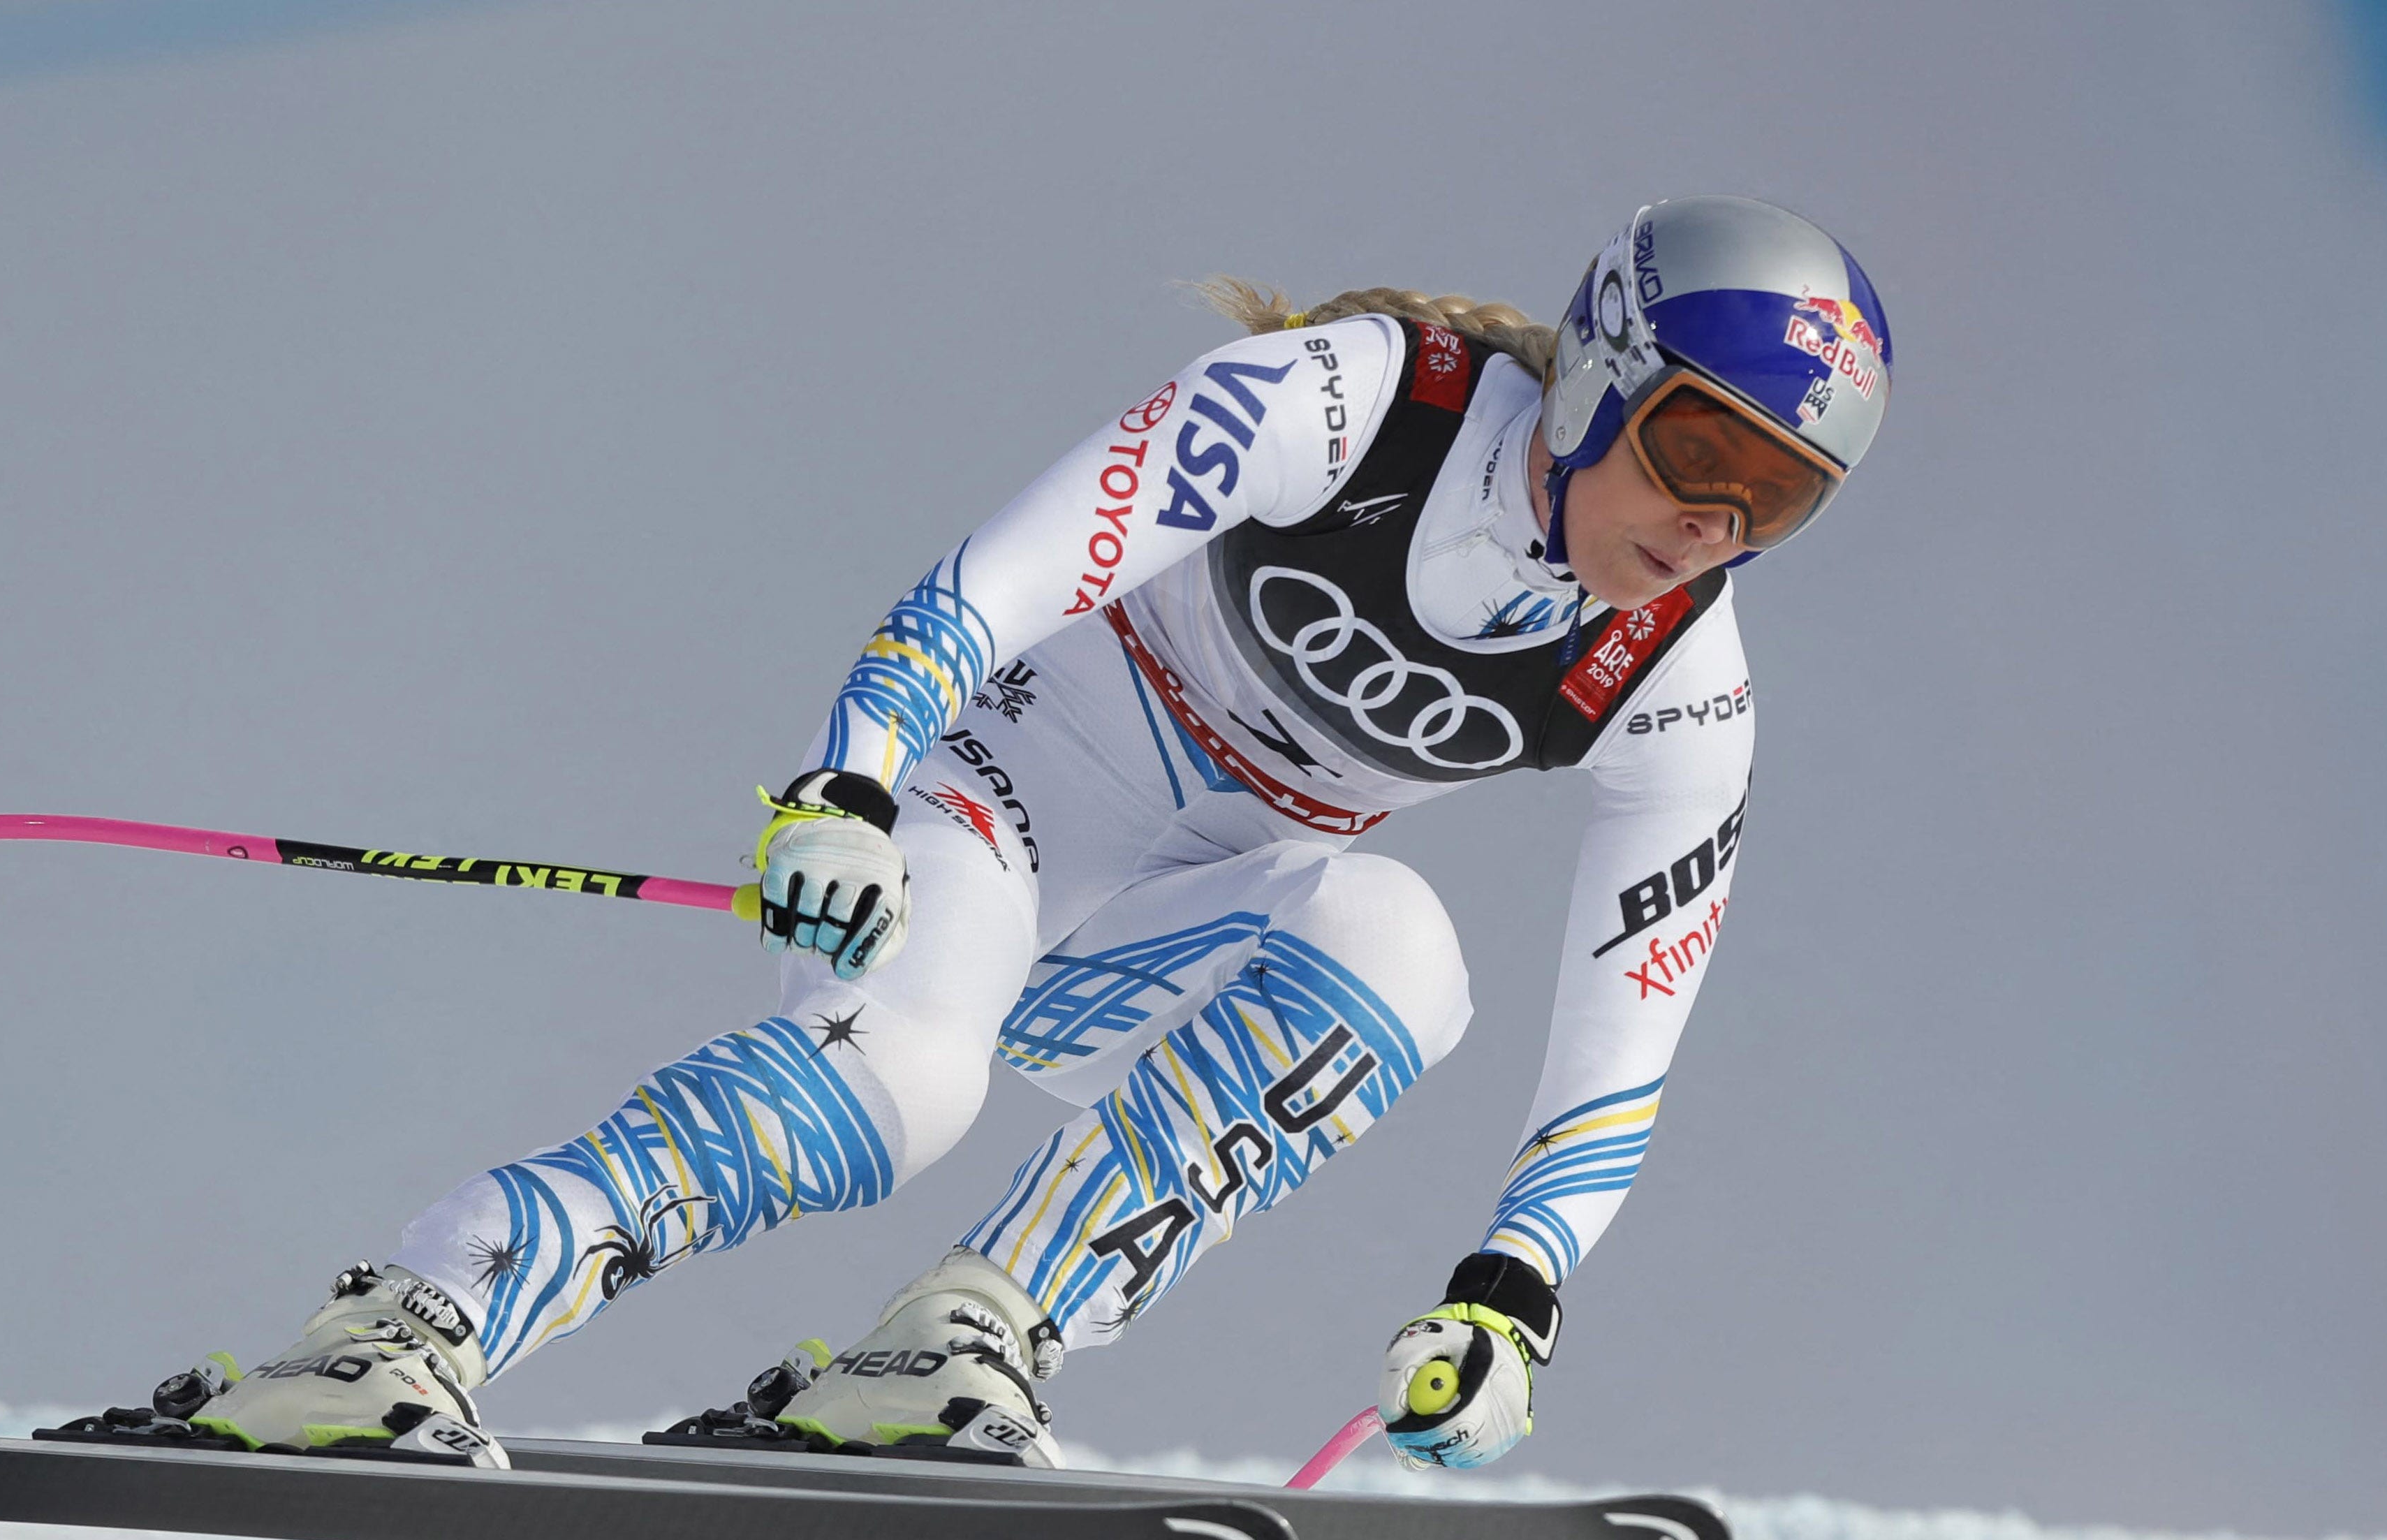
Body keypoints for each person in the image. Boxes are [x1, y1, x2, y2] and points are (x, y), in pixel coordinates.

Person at [153, 195, 1893, 1475]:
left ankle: (959, 1342)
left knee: (1405, 951)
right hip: (1009, 800)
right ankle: (408, 1322)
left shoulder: (1681, 677)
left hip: (1188, 920)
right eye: (1692, 446)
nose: (1710, 521)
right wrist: (842, 782)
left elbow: (1631, 1020)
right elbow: (998, 577)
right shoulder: (1364, 402)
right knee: (903, 1088)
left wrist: (1515, 1291)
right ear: (1600, 369)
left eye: (1782, 498)